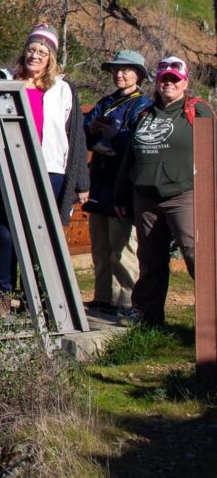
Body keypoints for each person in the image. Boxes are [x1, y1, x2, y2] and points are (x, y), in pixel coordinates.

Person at [0, 24, 88, 318]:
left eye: (42, 52)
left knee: (41, 235)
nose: (35, 55)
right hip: (11, 166)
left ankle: (39, 296)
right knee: (7, 234)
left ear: (51, 58)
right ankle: (4, 294)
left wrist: (81, 179)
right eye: (31, 49)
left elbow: (76, 136)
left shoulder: (63, 90)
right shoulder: (7, 81)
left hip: (50, 170)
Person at [113, 56, 214, 327]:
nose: (168, 83)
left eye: (174, 79)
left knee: (196, 253)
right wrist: (121, 194)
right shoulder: (145, 113)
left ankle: (211, 313)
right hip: (145, 196)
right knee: (150, 258)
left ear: (185, 83)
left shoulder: (197, 110)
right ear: (156, 82)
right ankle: (146, 315)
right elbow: (128, 158)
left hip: (184, 194)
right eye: (164, 78)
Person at [82, 50, 150, 316]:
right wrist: (95, 129)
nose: (119, 74)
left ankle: (125, 302)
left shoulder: (143, 106)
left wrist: (116, 136)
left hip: (122, 186)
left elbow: (140, 144)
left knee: (122, 248)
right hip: (99, 182)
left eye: (126, 70)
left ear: (138, 75)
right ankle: (103, 298)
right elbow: (85, 131)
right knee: (100, 246)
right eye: (115, 70)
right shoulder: (104, 102)